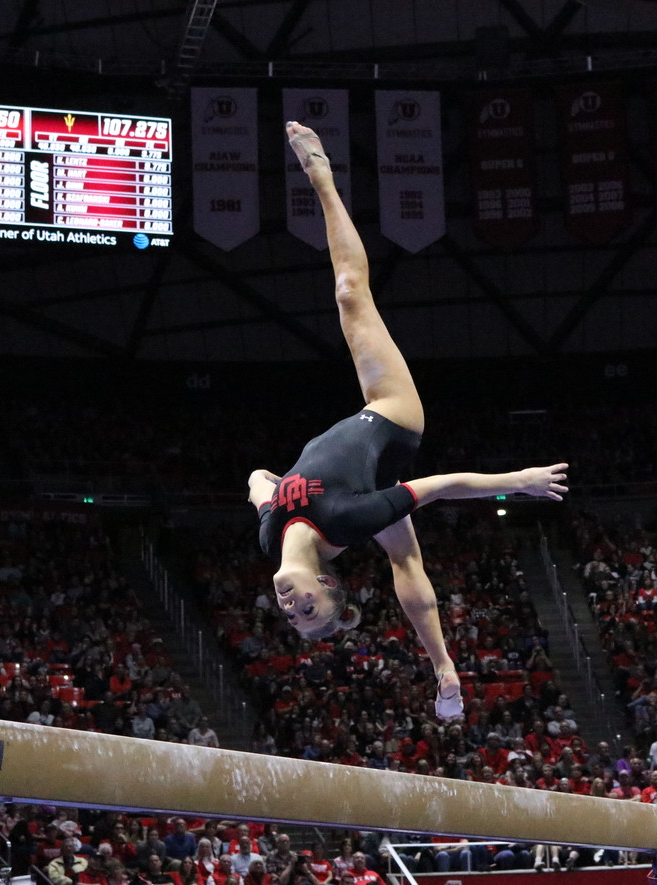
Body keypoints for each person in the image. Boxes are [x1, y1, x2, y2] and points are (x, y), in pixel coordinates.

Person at [249, 122, 568, 720]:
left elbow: (259, 482)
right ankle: (323, 178)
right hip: (391, 420)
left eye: (291, 617)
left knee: (404, 559)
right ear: (329, 587)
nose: (293, 607)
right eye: (310, 610)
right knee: (350, 293)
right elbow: (444, 486)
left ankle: (445, 680)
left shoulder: (270, 536)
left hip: (356, 474)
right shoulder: (347, 518)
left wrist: (261, 483)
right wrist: (517, 479)